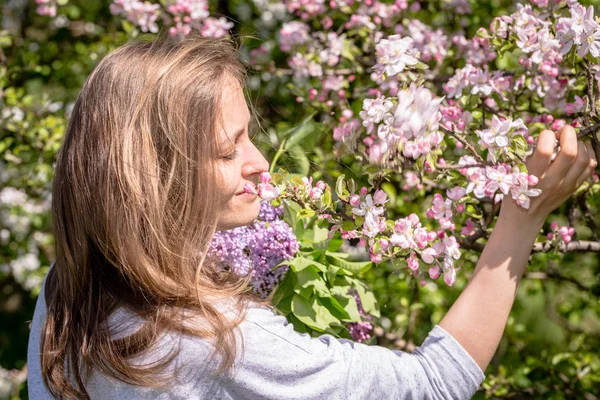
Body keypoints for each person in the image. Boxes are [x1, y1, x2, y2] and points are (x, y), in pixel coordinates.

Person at [27, 33, 598, 400]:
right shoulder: (215, 339)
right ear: (156, 177)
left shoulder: (68, 291)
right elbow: (433, 384)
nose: (259, 165)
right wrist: (523, 216)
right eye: (229, 150)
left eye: (250, 137)